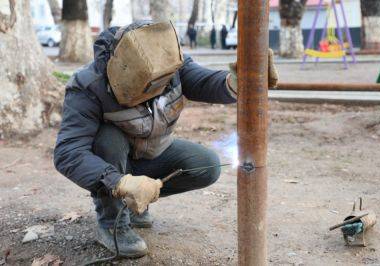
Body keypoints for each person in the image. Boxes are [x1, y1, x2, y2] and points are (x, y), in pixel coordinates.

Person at [54, 20, 278, 258]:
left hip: (151, 154)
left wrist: (239, 82)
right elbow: (68, 153)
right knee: (108, 139)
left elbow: (205, 82)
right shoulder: (87, 87)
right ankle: (112, 223)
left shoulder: (170, 63)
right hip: (113, 163)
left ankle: (136, 203)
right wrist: (119, 183)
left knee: (207, 165)